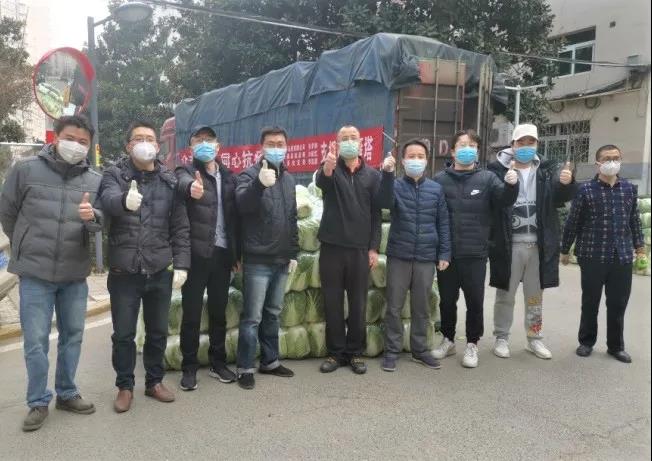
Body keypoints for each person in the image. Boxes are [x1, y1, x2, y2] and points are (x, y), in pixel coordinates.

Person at [0, 115, 102, 431]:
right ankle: (38, 401)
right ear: (56, 137)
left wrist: (92, 217)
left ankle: (67, 393)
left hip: (74, 273)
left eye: (83, 142)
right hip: (35, 272)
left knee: (73, 336)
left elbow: (100, 225)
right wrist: (24, 242)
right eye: (70, 138)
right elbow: (7, 211)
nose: (76, 145)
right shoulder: (26, 170)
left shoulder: (95, 180)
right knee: (35, 341)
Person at [99, 120, 190, 412]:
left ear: (158, 145)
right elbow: (107, 200)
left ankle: (154, 382)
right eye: (138, 138)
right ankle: (125, 386)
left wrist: (182, 264)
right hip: (124, 271)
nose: (145, 143)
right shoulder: (114, 174)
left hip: (158, 268)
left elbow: (180, 226)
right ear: (128, 146)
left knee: (157, 331)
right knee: (123, 334)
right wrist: (124, 201)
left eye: (150, 138)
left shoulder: (169, 180)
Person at [488, 123, 576, 360]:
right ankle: (501, 337)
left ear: (537, 144)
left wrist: (567, 183)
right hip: (509, 244)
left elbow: (560, 195)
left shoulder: (547, 170)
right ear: (513, 145)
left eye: (531, 142)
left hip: (538, 245)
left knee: (535, 296)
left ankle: (534, 338)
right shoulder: (497, 170)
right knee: (505, 295)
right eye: (521, 142)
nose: (526, 146)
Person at [431, 129, 518, 368]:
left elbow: (505, 200)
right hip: (447, 254)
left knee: (474, 302)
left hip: (475, 253)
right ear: (453, 151)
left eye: (472, 146)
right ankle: (448, 339)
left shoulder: (488, 179)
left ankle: (472, 343)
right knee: (447, 301)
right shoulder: (439, 180)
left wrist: (512, 185)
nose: (467, 149)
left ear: (477, 151)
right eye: (462, 145)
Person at [316, 125, 395, 375]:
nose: (349, 142)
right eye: (344, 138)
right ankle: (335, 353)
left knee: (358, 303)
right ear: (337, 143)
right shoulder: (331, 168)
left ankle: (355, 352)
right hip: (331, 248)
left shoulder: (372, 176)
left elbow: (377, 213)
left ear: (361, 143)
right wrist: (327, 167)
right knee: (332, 302)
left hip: (360, 250)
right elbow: (322, 182)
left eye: (353, 138)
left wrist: (373, 248)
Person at [561, 144, 646, 363]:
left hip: (621, 256)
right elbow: (573, 222)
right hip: (592, 254)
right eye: (607, 158)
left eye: (616, 158)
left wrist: (640, 248)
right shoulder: (585, 190)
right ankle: (586, 342)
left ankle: (616, 346)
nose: (612, 162)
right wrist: (565, 249)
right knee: (590, 301)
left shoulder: (628, 189)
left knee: (618, 303)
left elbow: (634, 220)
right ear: (598, 163)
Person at [175, 126, 240, 390]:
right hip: (196, 255)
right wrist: (191, 187)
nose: (204, 144)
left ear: (218, 145)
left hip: (222, 256)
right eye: (198, 140)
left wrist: (236, 253)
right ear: (191, 147)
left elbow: (235, 219)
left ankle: (218, 362)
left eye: (208, 140)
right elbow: (181, 184)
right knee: (191, 314)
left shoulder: (229, 177)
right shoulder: (186, 172)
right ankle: (189, 367)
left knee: (218, 312)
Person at [235, 126, 298, 390]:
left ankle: (270, 361)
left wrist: (293, 252)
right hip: (257, 260)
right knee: (252, 317)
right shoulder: (249, 175)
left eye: (280, 144)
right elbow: (242, 205)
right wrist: (259, 184)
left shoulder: (289, 179)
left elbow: (292, 218)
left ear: (286, 147)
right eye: (271, 144)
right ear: (261, 147)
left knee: (273, 313)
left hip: (281, 259)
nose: (276, 148)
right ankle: (245, 367)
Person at [379, 138, 451, 372]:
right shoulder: (395, 185)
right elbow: (384, 203)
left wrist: (444, 253)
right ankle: (391, 350)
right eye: (411, 156)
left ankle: (420, 350)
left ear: (427, 161)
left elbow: (443, 223)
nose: (416, 160)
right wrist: (387, 175)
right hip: (399, 255)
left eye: (420, 156)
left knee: (421, 307)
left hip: (425, 257)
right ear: (403, 160)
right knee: (394, 306)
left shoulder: (435, 189)